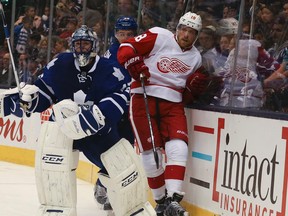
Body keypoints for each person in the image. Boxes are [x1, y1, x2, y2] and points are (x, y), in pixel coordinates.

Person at [0, 25, 154, 216]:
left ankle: (132, 208)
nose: (82, 48)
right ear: (72, 46)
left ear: (94, 46)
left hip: (98, 131)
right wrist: (29, 100)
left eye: (86, 44)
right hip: (64, 128)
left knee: (123, 167)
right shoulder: (60, 64)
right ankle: (57, 208)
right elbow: (44, 93)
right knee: (53, 153)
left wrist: (95, 116)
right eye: (78, 44)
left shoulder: (110, 69)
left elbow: (119, 100)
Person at [117, 11, 207, 216]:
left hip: (173, 104)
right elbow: (126, 47)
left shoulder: (196, 58)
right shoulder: (159, 36)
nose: (185, 35)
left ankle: (174, 199)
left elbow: (186, 95)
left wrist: (193, 91)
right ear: (177, 29)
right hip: (143, 97)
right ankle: (160, 201)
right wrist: (133, 63)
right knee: (151, 153)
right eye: (183, 29)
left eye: (191, 32)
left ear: (197, 36)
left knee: (179, 147)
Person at [93, 15, 138, 210]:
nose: (125, 38)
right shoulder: (109, 56)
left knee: (126, 150)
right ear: (115, 34)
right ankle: (105, 185)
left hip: (131, 112)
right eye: (121, 34)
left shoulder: (141, 52)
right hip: (113, 111)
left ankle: (112, 188)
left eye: (129, 34)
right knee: (111, 151)